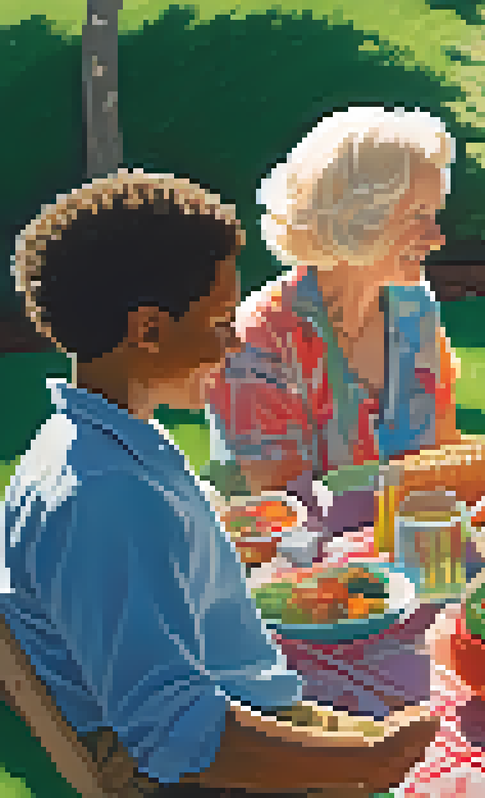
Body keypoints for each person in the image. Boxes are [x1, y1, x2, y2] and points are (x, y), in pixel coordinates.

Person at [1, 170, 437, 794]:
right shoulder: (107, 493)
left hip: (252, 707)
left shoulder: (93, 443)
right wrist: (364, 768)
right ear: (147, 330)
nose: (233, 343)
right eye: (218, 321)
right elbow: (177, 733)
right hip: (219, 768)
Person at [206, 106, 462, 496]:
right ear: (355, 219)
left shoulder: (415, 310)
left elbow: (443, 464)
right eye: (417, 217)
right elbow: (284, 509)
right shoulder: (261, 337)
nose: (437, 237)